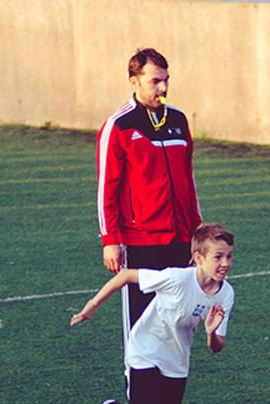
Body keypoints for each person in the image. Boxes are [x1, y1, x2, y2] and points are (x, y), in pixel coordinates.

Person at [71, 223, 235, 404]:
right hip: (145, 350)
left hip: (176, 361)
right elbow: (124, 277)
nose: (225, 263)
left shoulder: (226, 294)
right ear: (198, 258)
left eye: (229, 255)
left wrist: (211, 332)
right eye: (218, 257)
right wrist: (91, 307)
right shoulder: (177, 278)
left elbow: (217, 347)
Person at [96, 47, 202, 346]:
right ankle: (138, 393)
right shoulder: (118, 125)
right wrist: (110, 240)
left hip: (181, 238)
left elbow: (188, 180)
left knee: (178, 322)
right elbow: (107, 187)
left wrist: (197, 231)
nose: (163, 88)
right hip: (139, 240)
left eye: (166, 80)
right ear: (135, 81)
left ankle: (168, 390)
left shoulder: (179, 120)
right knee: (141, 325)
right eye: (155, 81)